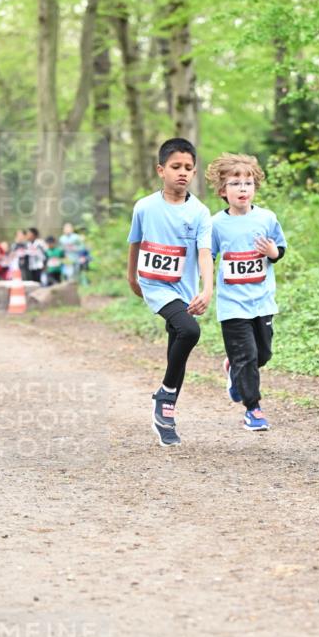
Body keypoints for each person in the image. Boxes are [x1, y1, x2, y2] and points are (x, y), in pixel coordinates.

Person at [127, 137, 212, 447]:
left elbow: (205, 253)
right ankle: (166, 394)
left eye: (189, 168)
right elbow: (135, 242)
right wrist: (131, 277)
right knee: (189, 331)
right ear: (161, 170)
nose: (183, 173)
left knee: (178, 337)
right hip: (154, 284)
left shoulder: (200, 212)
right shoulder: (145, 207)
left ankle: (165, 412)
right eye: (176, 166)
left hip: (184, 288)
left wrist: (207, 288)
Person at [207, 153, 286, 432]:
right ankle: (253, 409)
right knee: (248, 356)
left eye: (248, 183)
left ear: (255, 187)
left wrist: (272, 252)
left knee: (262, 354)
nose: (243, 189)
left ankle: (233, 368)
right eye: (235, 183)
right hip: (232, 305)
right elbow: (208, 257)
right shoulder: (215, 224)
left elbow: (280, 249)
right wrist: (203, 287)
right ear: (222, 191)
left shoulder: (267, 218)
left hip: (262, 301)